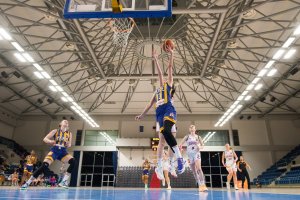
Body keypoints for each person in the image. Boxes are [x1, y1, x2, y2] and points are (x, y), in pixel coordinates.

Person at [135, 46, 185, 180]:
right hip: (159, 114)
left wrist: (171, 54)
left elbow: (167, 70)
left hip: (168, 110)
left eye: (165, 79)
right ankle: (159, 167)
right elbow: (149, 104)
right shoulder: (156, 92)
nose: (162, 79)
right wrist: (142, 115)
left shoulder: (168, 86)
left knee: (169, 136)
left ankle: (176, 161)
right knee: (162, 142)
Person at [21, 120, 76, 189]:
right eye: (64, 121)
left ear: (68, 125)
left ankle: (64, 181)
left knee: (73, 161)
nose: (66, 122)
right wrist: (50, 141)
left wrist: (68, 145)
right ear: (60, 124)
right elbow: (45, 139)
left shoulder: (69, 133)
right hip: (55, 150)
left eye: (67, 122)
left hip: (63, 151)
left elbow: (70, 144)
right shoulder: (55, 131)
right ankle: (27, 183)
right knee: (44, 166)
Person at [179, 125, 208, 192]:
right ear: (189, 129)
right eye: (190, 128)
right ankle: (200, 185)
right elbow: (180, 144)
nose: (192, 129)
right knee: (194, 171)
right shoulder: (187, 137)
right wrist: (180, 148)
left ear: (195, 129)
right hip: (189, 155)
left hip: (196, 153)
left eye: (193, 128)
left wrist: (200, 147)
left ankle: (203, 184)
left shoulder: (198, 137)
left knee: (199, 168)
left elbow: (202, 145)